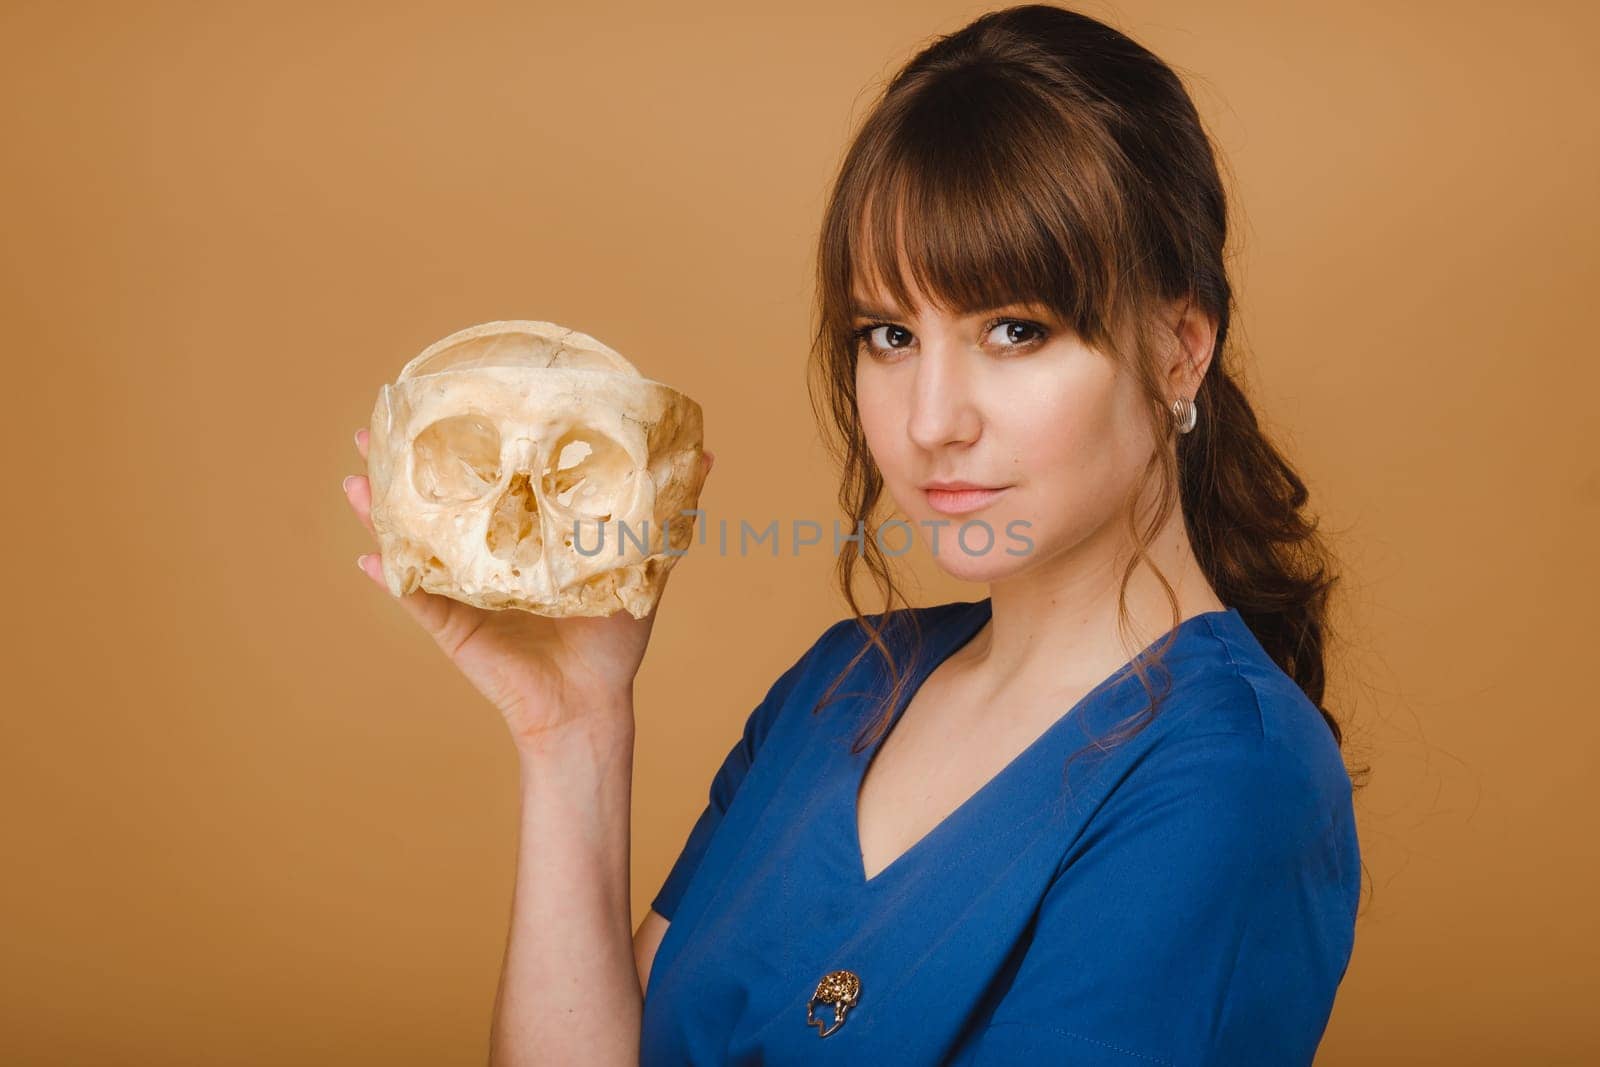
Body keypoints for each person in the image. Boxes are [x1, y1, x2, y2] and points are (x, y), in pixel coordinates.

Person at [343, 4, 1366, 1064]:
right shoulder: (842, 686)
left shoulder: (1227, 781)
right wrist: (573, 735)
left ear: (1178, 348)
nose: (931, 420)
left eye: (1013, 330)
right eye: (888, 335)